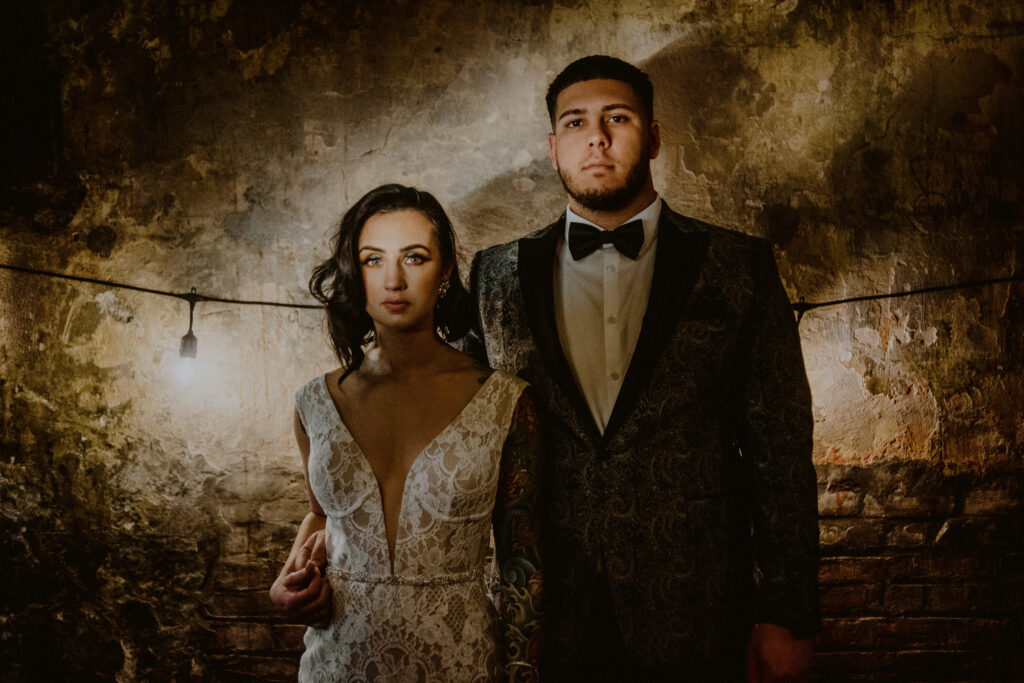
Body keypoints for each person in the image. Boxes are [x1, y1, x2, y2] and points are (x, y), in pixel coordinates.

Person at [467, 56, 820, 681]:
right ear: (553, 148)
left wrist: (786, 615)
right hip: (542, 621)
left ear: (653, 136)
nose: (596, 136)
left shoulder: (740, 269)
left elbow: (781, 455)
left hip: (699, 611)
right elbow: (460, 442)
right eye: (575, 122)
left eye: (617, 118)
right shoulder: (492, 276)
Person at [269, 184, 543, 682]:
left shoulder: (504, 401)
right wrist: (284, 586)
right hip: (337, 663)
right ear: (356, 274)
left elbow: (524, 561)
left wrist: (524, 671)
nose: (393, 279)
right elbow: (319, 514)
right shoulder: (315, 402)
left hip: (458, 665)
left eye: (414, 257)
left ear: (443, 274)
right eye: (373, 260)